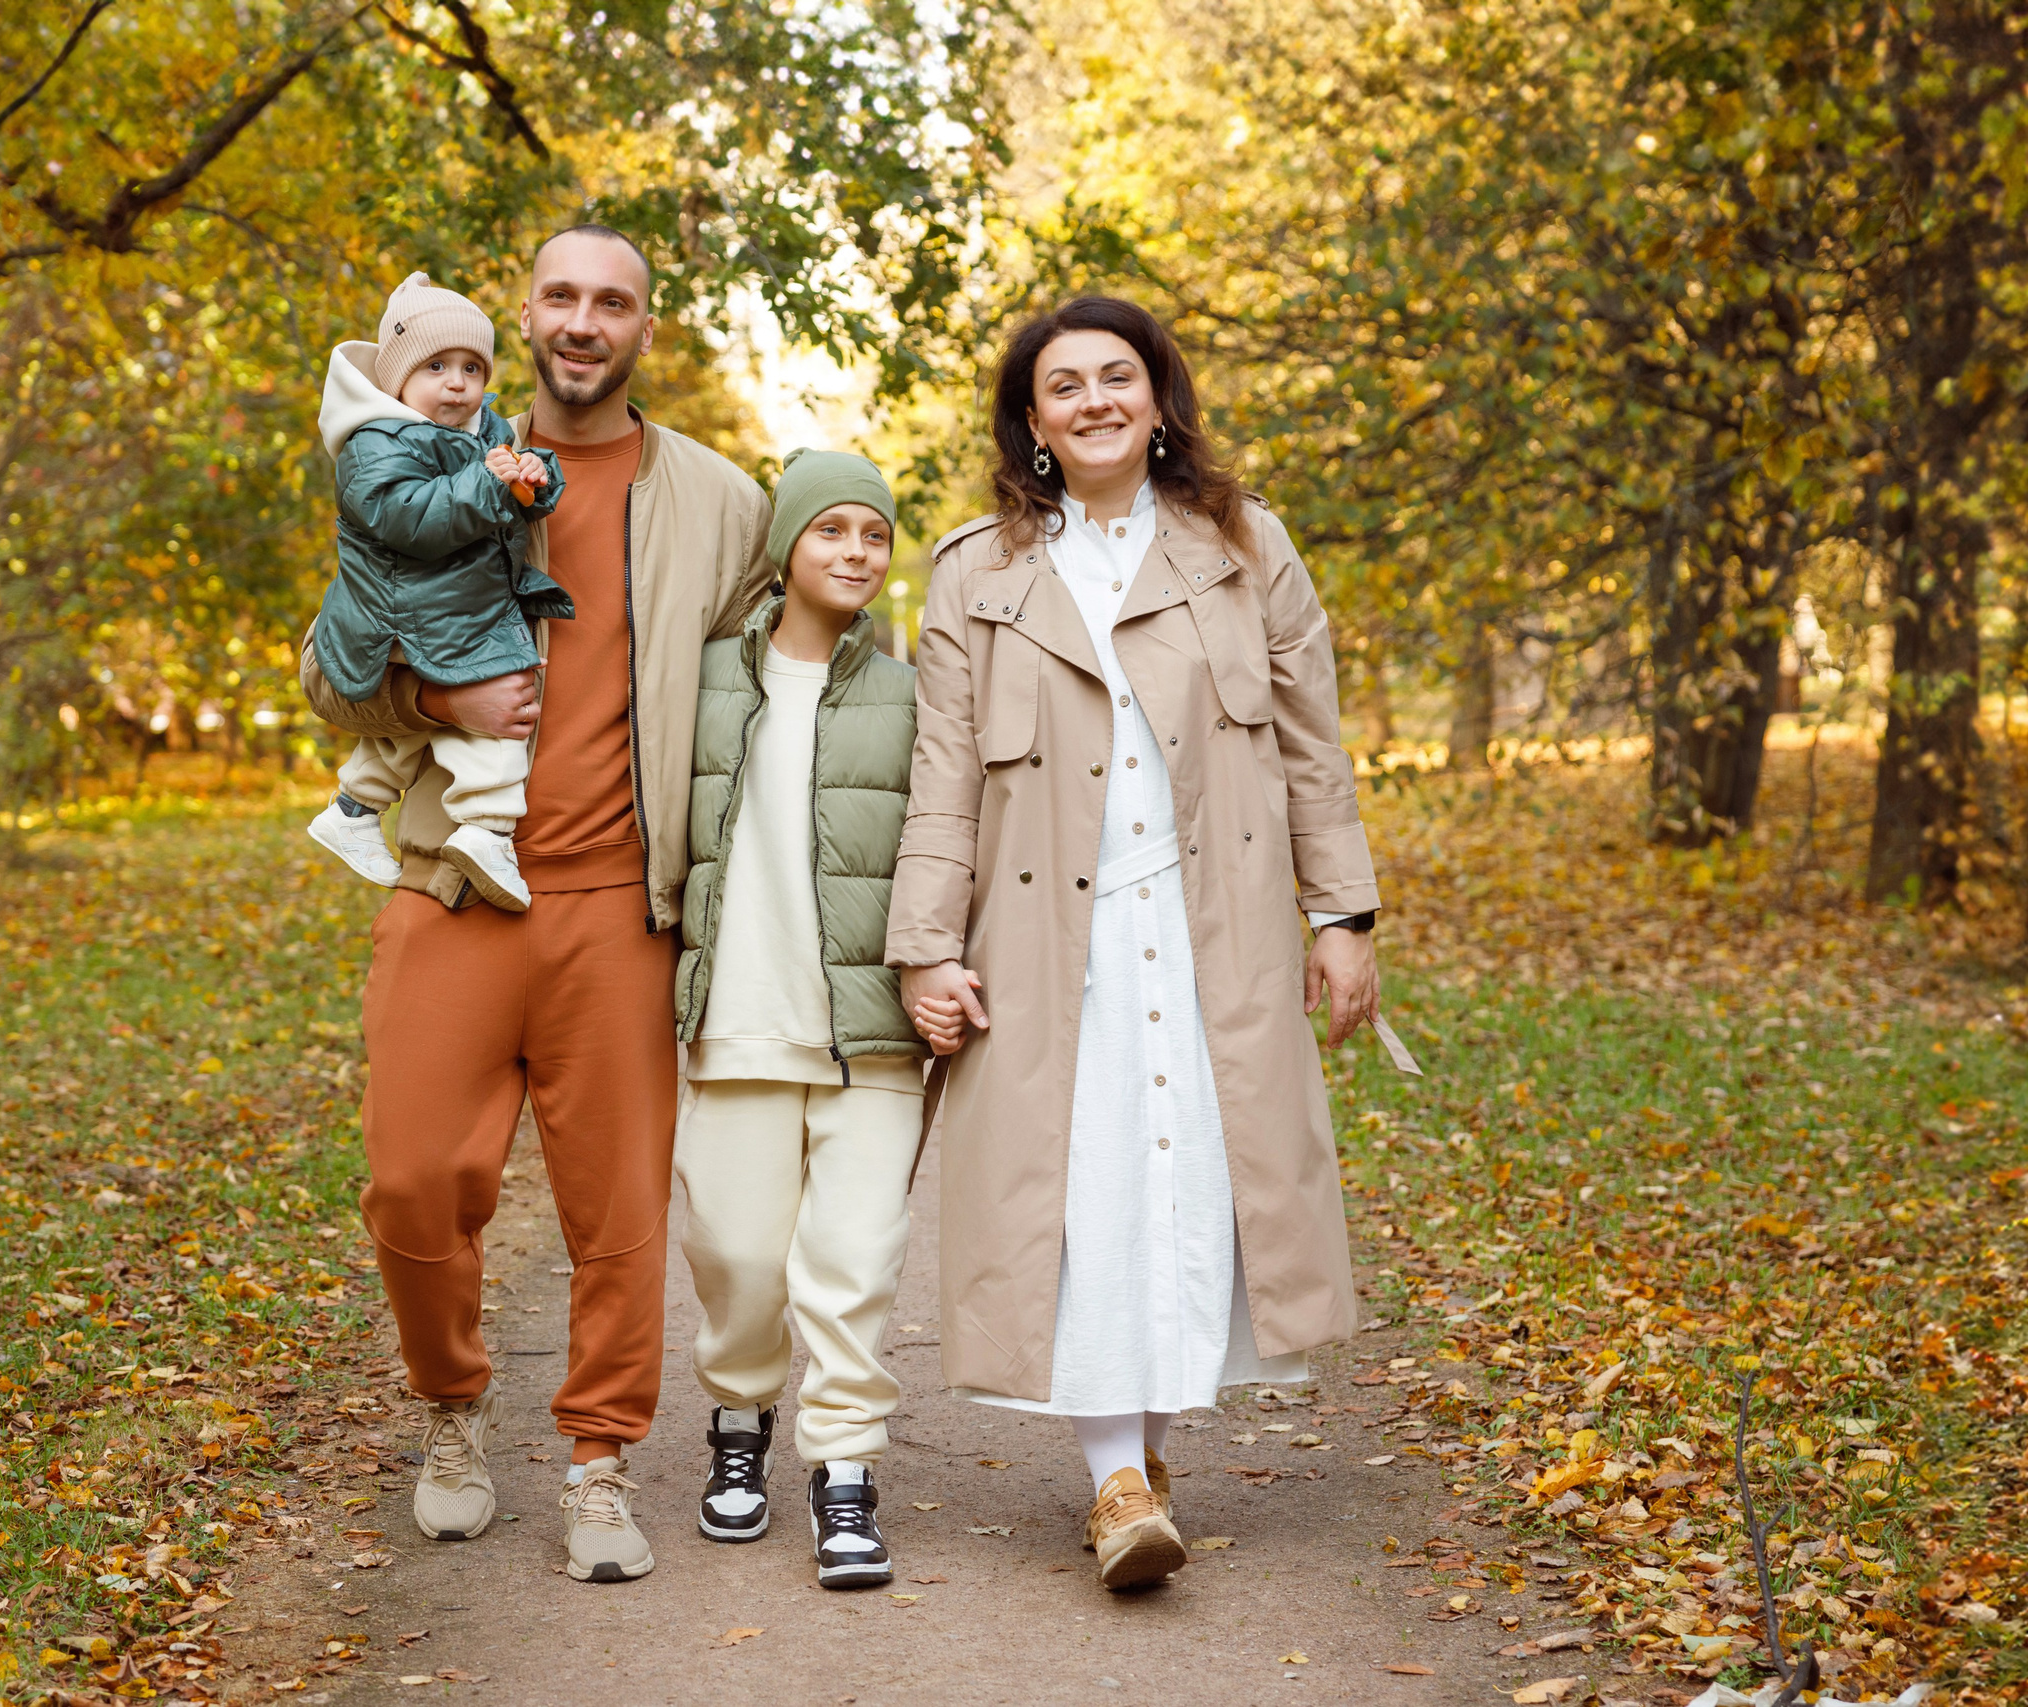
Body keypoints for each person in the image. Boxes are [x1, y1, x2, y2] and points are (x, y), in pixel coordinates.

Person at [885, 296, 1383, 1592]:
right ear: (1032, 421)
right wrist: (927, 945)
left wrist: (1341, 914)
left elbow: (1311, 743)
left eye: (1118, 376)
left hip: (1214, 927)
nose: (1095, 400)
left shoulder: (1244, 544)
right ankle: (1114, 1476)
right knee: (1080, 1189)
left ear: (1159, 399)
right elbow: (943, 774)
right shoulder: (975, 570)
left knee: (1189, 1185)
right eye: (1065, 385)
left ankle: (1144, 1459)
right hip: (1050, 936)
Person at [299, 225, 773, 1584]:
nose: (583, 320)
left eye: (611, 302)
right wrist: (430, 698)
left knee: (616, 1211)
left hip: (619, 904)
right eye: (560, 296)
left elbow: (784, 679)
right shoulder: (431, 454)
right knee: (411, 1183)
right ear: (526, 315)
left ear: (643, 327)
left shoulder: (721, 502)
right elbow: (330, 668)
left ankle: (598, 1460)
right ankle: (450, 1412)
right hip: (454, 885)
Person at [671, 450, 925, 1590]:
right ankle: (739, 1419)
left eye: (873, 535)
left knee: (853, 1258)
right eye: (831, 530)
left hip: (868, 1029)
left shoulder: (913, 693)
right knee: (734, 1252)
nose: (855, 553)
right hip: (736, 1016)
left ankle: (846, 1471)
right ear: (785, 546)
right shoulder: (703, 678)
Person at [305, 272, 570, 911]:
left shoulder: (483, 433)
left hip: (441, 603)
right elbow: (412, 519)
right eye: (436, 366)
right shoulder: (373, 444)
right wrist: (489, 483)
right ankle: (487, 828)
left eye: (472, 368)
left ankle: (353, 809)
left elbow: (506, 504)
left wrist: (533, 477)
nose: (457, 383)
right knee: (503, 693)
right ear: (398, 378)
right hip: (403, 607)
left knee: (412, 730)